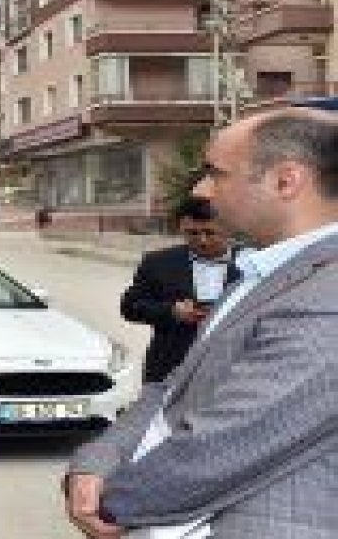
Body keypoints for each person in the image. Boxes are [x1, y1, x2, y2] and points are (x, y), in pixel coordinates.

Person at [65, 108, 338, 539]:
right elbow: (173, 389)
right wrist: (95, 463)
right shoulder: (260, 273)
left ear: (286, 181)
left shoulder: (327, 295)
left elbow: (227, 444)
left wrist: (109, 502)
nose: (201, 190)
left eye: (216, 174)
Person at [120, 197, 239, 384]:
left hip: (235, 371)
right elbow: (130, 307)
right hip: (170, 369)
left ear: (228, 228)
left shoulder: (255, 261)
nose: (202, 240)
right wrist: (172, 311)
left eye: (210, 232)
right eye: (192, 233)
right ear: (180, 229)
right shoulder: (158, 263)